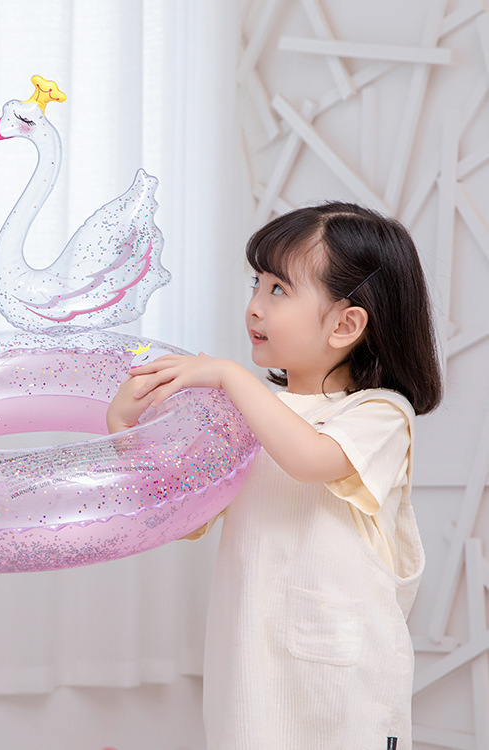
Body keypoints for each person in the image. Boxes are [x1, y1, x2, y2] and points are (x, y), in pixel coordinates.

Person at [106, 202, 442, 749]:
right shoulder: (246, 414)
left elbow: (308, 459)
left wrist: (230, 376)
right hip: (249, 667)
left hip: (340, 681)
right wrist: (124, 427)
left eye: (279, 289)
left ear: (345, 325)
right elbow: (175, 511)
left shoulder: (380, 414)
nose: (255, 307)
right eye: (256, 284)